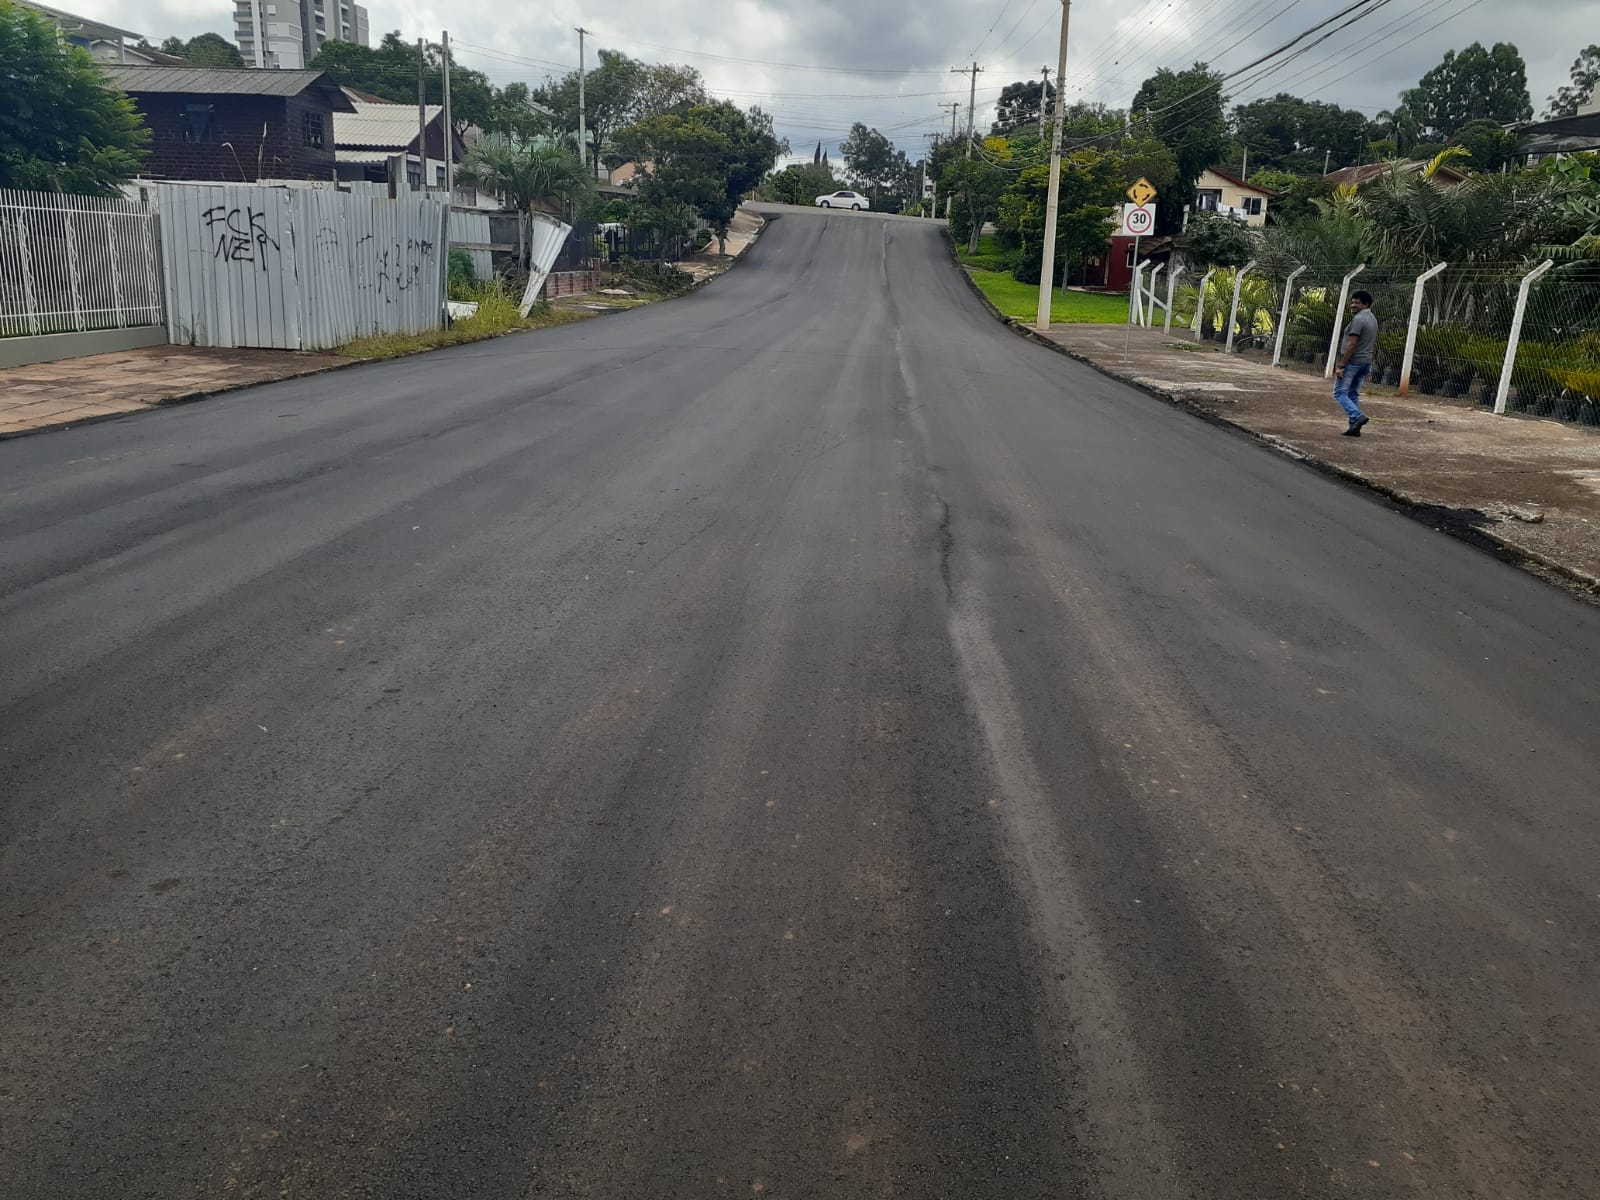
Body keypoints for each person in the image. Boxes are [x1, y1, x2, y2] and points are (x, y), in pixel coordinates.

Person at [1333, 291, 1377, 436]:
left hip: (1353, 362)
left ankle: (1357, 416)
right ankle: (1354, 427)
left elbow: (1352, 344)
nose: (1353, 305)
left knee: (1339, 393)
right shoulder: (1372, 319)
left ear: (1366, 304)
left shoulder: (1358, 320)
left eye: (1357, 303)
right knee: (1352, 394)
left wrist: (1341, 366)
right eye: (1352, 302)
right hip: (1365, 362)